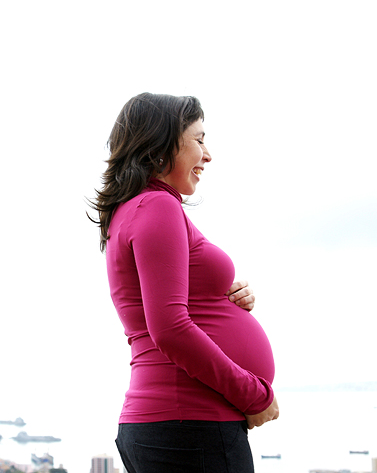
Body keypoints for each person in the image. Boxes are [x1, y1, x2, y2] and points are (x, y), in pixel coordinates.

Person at [89, 93, 279, 473]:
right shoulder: (157, 206)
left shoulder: (134, 209)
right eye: (199, 139)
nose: (208, 155)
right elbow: (170, 329)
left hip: (177, 427)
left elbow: (169, 305)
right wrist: (254, 395)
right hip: (191, 427)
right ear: (160, 146)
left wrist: (225, 298)